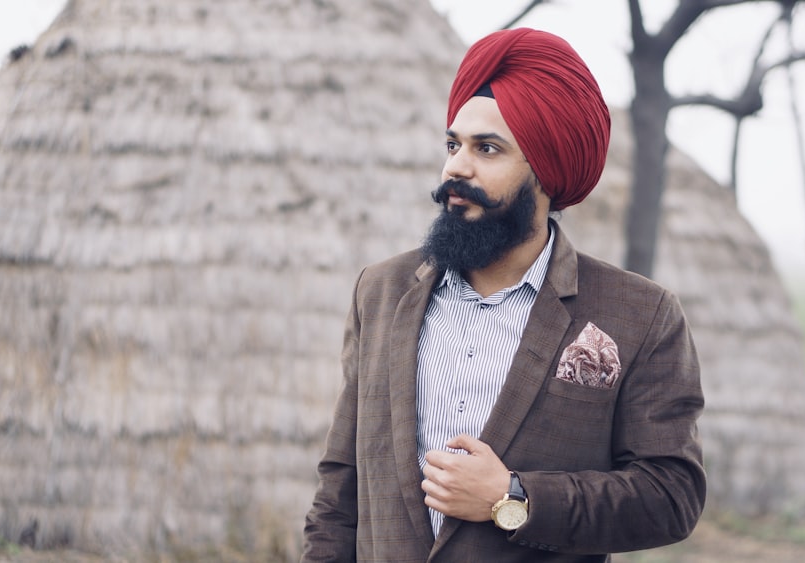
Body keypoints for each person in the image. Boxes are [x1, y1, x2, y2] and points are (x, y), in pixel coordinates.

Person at [301, 27, 705, 562]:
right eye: (453, 145)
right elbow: (340, 489)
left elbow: (670, 496)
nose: (455, 168)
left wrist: (512, 498)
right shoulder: (380, 291)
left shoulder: (638, 314)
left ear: (546, 172)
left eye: (486, 149)